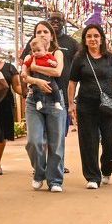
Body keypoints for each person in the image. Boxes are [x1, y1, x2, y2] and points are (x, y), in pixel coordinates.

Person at [68, 24, 112, 189]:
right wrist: (71, 104)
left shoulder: (109, 58)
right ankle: (92, 177)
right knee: (89, 141)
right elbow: (72, 82)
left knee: (110, 141)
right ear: (85, 40)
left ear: (101, 38)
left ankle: (106, 170)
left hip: (108, 105)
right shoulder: (79, 58)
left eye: (96, 36)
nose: (93, 39)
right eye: (89, 36)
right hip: (86, 106)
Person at [22, 21, 67, 192]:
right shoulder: (29, 56)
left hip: (55, 100)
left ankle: (55, 180)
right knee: (34, 141)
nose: (42, 34)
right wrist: (37, 80)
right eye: (38, 31)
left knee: (56, 144)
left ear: (51, 35)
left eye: (45, 31)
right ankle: (39, 173)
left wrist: (35, 67)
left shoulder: (57, 53)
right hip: (34, 100)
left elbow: (57, 72)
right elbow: (24, 76)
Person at [0, 40, 21, 176]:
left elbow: (17, 85)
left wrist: (26, 91)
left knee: (3, 135)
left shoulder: (9, 67)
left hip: (6, 103)